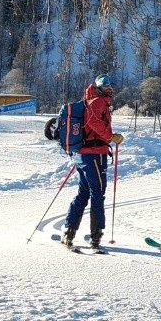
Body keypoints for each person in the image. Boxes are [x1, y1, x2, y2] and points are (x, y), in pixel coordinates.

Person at [62, 74, 124, 248]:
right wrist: (110, 136)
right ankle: (96, 236)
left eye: (111, 85)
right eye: (106, 85)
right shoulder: (97, 101)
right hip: (94, 154)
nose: (110, 87)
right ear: (98, 87)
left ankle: (69, 231)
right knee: (97, 192)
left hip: (84, 154)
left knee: (84, 192)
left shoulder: (93, 100)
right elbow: (93, 121)